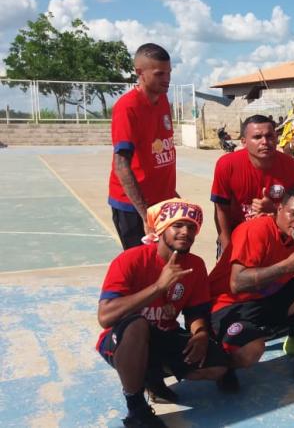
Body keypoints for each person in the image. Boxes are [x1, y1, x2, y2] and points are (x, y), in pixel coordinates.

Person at [96, 199, 228, 428]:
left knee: (218, 366)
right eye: (177, 226)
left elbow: (196, 311)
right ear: (161, 228)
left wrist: (200, 334)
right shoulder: (131, 259)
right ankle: (136, 407)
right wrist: (158, 286)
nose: (185, 232)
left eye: (191, 227)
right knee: (138, 326)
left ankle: (151, 377)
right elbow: (105, 317)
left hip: (163, 334)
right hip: (123, 339)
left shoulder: (195, 265)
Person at [208, 187, 294, 388]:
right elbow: (237, 283)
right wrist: (286, 266)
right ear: (279, 209)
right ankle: (225, 366)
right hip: (227, 305)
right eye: (293, 214)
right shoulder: (255, 229)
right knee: (251, 351)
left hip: (266, 301)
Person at [108, 43, 177, 250]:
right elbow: (121, 166)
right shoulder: (127, 108)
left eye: (169, 72)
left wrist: (172, 194)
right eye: (159, 74)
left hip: (162, 203)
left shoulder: (163, 100)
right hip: (134, 208)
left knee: (166, 263)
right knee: (142, 267)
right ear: (140, 73)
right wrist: (145, 215)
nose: (167, 79)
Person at [211, 115, 294, 256]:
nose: (265, 142)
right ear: (244, 142)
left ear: (277, 138)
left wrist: (274, 210)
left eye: (269, 136)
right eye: (257, 137)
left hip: (279, 239)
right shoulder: (226, 165)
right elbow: (221, 210)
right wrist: (228, 249)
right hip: (237, 238)